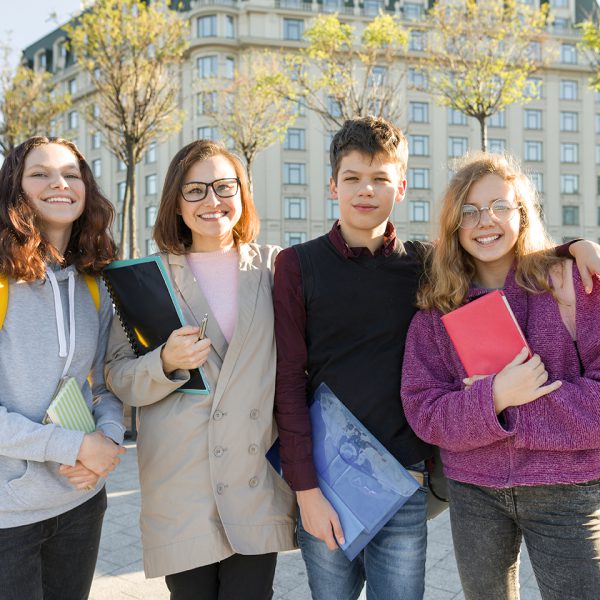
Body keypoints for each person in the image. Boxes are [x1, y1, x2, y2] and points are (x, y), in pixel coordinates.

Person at [273, 116, 600, 600]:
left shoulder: (431, 269)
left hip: (466, 480)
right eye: (468, 211)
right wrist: (304, 489)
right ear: (333, 184)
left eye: (381, 178)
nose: (367, 190)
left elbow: (499, 251)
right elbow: (294, 382)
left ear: (401, 187)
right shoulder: (314, 266)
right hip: (363, 479)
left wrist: (575, 248)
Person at [401, 152, 600, 600]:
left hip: (566, 488)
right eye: (468, 212)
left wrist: (519, 402)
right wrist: (492, 398)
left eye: (499, 206)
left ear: (522, 213)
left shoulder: (572, 283)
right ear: (454, 225)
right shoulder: (439, 308)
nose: (484, 221)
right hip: (475, 491)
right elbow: (423, 409)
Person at [105, 140, 296, 600]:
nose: (212, 201)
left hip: (254, 474)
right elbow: (117, 374)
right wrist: (164, 362)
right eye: (195, 190)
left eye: (224, 186)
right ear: (176, 201)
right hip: (182, 484)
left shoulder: (277, 268)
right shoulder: (145, 278)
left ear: (243, 194)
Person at [0, 136, 126, 600]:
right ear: (15, 188)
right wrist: (74, 445)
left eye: (71, 174)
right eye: (41, 174)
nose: (60, 183)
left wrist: (107, 441)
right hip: (7, 516)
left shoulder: (93, 280)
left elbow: (103, 382)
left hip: (81, 502)